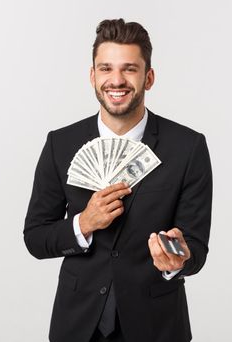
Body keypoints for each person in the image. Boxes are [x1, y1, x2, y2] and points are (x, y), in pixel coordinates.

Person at [24, 18, 212, 342]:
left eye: (129, 69)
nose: (117, 80)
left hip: (156, 325)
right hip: (77, 324)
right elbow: (35, 237)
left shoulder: (188, 147)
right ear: (92, 75)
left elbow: (195, 247)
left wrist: (177, 259)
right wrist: (83, 223)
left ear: (148, 77)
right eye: (106, 68)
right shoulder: (60, 144)